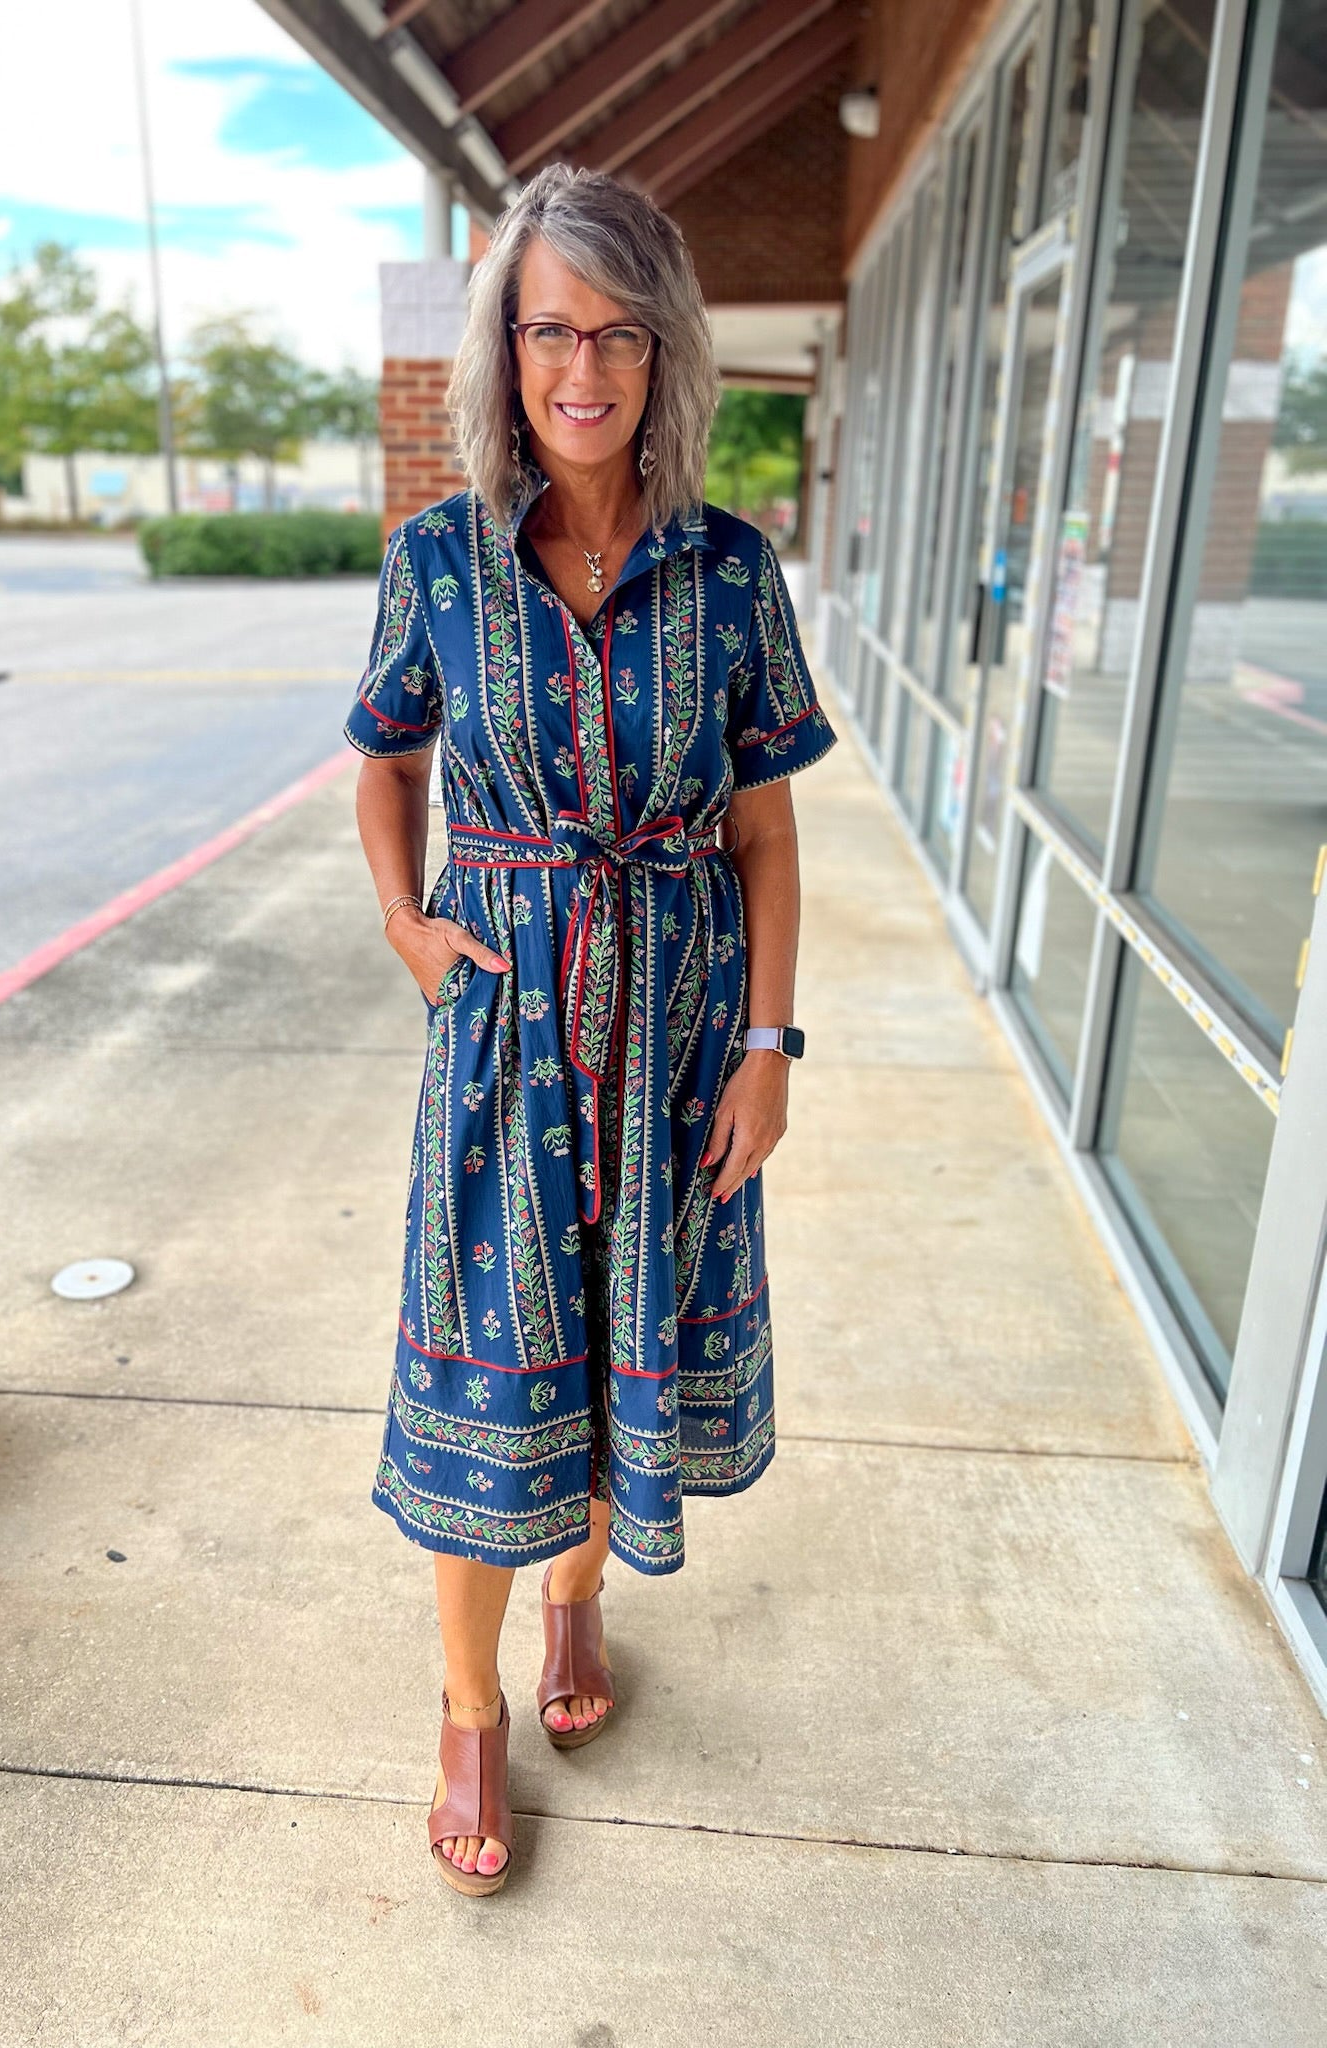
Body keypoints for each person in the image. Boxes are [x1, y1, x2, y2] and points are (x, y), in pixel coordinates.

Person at [342, 162, 838, 1897]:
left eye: (621, 333)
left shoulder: (728, 573)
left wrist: (770, 1046)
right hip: (500, 1038)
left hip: (684, 1036)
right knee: (484, 1359)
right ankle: (466, 1706)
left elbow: (768, 827)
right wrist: (409, 926)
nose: (585, 368)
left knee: (629, 1335)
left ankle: (577, 1603)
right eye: (553, 327)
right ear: (505, 344)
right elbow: (385, 764)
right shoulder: (439, 564)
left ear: (665, 354)